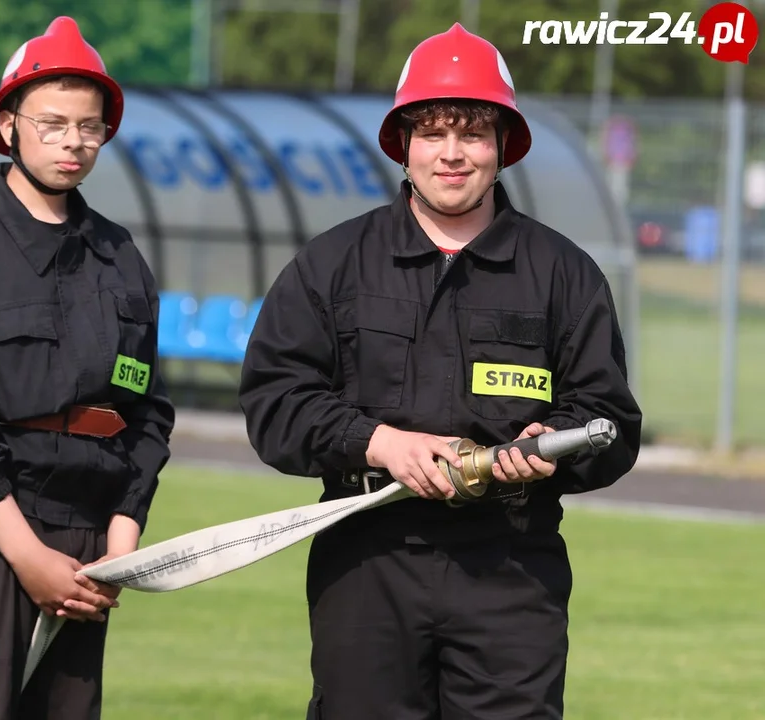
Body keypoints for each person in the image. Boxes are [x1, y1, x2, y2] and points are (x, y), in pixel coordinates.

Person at [237, 23, 642, 720]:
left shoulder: (563, 274)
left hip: (511, 565)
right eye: (432, 133)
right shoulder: (333, 265)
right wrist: (380, 443)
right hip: (367, 558)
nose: (452, 154)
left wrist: (554, 447)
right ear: (403, 146)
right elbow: (275, 402)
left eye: (473, 134)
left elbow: (611, 423)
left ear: (503, 147)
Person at [0, 16, 174, 720]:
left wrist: (121, 539)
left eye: (91, 126)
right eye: (52, 123)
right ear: (9, 124)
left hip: (89, 545)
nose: (74, 141)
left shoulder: (119, 255)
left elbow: (145, 409)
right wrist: (24, 552)